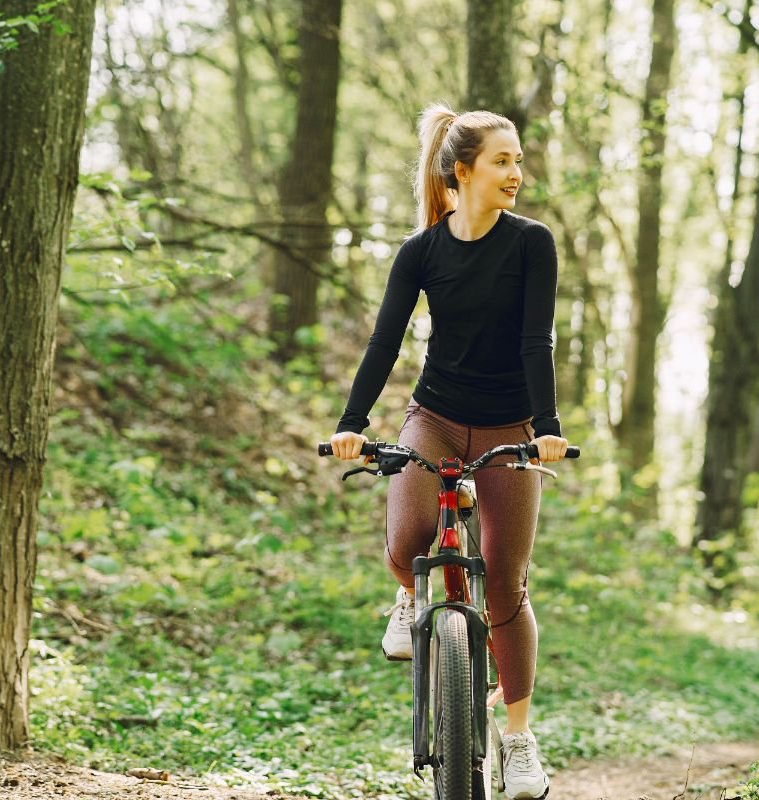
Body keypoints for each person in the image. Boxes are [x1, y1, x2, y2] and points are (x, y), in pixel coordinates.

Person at [329, 103, 567, 800]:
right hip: (433, 416)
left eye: (518, 160)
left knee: (506, 585)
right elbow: (385, 342)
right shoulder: (421, 251)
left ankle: (518, 742)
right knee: (407, 538)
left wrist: (545, 428)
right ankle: (407, 598)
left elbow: (536, 343)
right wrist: (352, 422)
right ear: (462, 172)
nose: (517, 172)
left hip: (508, 427)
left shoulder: (532, 244)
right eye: (503, 161)